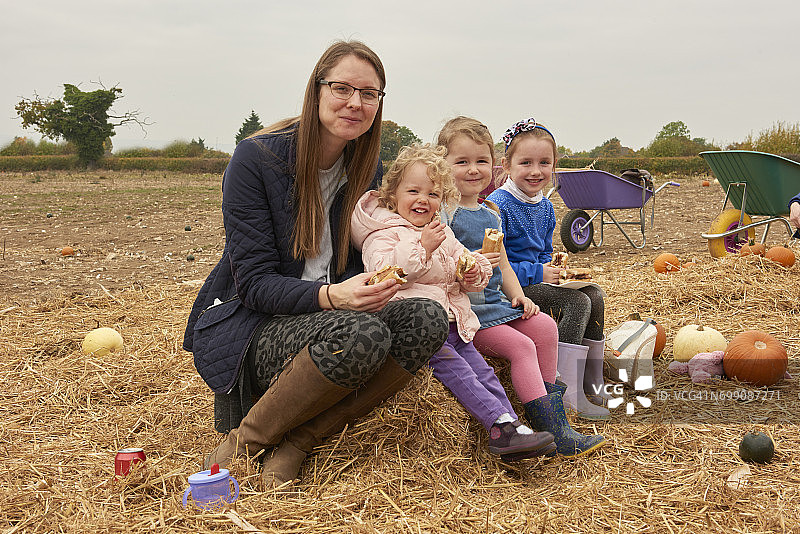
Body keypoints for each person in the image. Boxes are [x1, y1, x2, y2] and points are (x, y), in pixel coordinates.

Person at [182, 41, 449, 491]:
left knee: (427, 317)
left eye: (369, 94)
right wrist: (333, 296)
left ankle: (301, 441)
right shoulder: (256, 160)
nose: (354, 103)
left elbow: (372, 251)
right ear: (317, 90)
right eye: (341, 88)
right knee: (361, 332)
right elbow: (254, 285)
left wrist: (384, 280)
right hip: (261, 324)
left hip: (331, 318)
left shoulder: (364, 168)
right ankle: (245, 443)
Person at [350, 143, 556, 459]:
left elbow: (462, 259)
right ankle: (498, 426)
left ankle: (514, 426)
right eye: (413, 191)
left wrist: (474, 271)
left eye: (433, 195)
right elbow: (386, 273)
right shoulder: (382, 234)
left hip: (454, 322)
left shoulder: (440, 231)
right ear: (393, 196)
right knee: (459, 371)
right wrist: (424, 247)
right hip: (418, 329)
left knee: (484, 372)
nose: (423, 200)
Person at [437, 116, 604, 457]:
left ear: (492, 165)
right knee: (521, 347)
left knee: (544, 325)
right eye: (462, 162)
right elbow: (441, 263)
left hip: (496, 303)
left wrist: (517, 295)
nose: (473, 169)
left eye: (481, 161)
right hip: (470, 313)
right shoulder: (445, 213)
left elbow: (506, 263)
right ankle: (552, 429)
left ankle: (551, 418)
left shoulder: (491, 212)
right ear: (442, 165)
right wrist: (470, 262)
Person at [486, 117, 610, 421]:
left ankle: (592, 380)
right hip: (512, 290)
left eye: (544, 162)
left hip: (535, 280)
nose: (535, 171)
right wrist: (538, 273)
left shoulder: (546, 207)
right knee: (576, 302)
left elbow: (542, 250)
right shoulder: (497, 205)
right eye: (525, 162)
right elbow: (496, 264)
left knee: (594, 294)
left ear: (553, 166)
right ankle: (566, 391)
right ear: (506, 165)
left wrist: (552, 265)